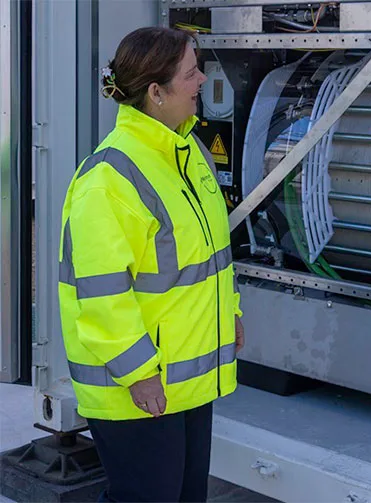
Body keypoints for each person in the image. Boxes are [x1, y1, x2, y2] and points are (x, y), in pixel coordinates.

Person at [58, 26, 244, 502]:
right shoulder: (108, 180)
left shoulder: (188, 152)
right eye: (190, 73)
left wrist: (230, 314)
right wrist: (138, 373)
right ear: (156, 92)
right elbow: (102, 294)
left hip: (184, 379)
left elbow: (210, 258)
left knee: (186, 496)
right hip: (136, 387)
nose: (202, 80)